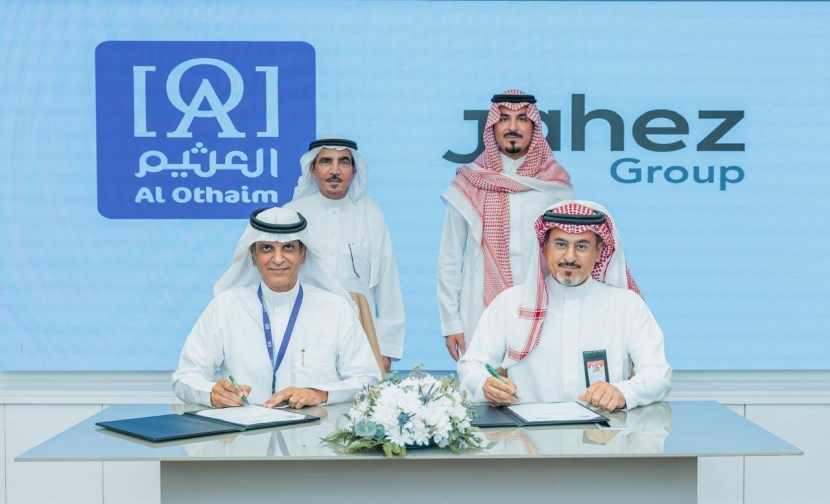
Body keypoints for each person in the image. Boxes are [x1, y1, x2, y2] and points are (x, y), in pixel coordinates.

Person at [458, 200, 671, 411]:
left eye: (581, 246)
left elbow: (658, 374)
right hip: (525, 432)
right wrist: (485, 385)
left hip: (605, 431)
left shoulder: (627, 306)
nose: (570, 256)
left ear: (599, 252)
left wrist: (623, 392)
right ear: (545, 248)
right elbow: (471, 366)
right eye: (561, 244)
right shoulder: (510, 303)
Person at [172, 207, 381, 409]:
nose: (278, 259)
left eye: (288, 247)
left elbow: (368, 379)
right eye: (267, 248)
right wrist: (211, 393)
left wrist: (320, 393)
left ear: (303, 254)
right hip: (244, 430)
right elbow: (184, 377)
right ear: (253, 256)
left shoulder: (335, 309)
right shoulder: (226, 307)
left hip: (317, 429)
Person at [438, 89, 575, 361]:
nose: (513, 127)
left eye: (522, 119)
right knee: (483, 381)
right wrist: (451, 322)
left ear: (534, 127)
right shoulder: (469, 183)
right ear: (492, 127)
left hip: (542, 309)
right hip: (478, 311)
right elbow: (450, 258)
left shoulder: (555, 187)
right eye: (504, 119)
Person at [285, 137, 405, 372]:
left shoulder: (371, 214)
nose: (335, 170)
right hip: (303, 329)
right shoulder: (293, 215)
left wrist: (386, 346)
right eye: (326, 162)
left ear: (354, 171)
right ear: (312, 170)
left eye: (343, 162)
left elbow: (387, 281)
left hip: (358, 329)